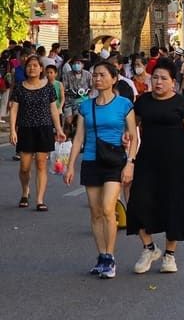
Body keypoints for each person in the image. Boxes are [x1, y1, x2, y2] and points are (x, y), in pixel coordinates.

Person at [126, 58, 184, 275]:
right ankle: (149, 248)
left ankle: (169, 256)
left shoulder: (182, 104)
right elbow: (132, 130)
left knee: (174, 208)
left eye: (163, 79)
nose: (158, 82)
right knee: (137, 204)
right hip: (146, 162)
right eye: (155, 78)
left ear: (173, 82)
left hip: (176, 164)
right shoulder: (142, 102)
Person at [64, 60, 137, 278]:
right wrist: (70, 166)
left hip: (115, 161)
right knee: (95, 212)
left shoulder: (124, 104)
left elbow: (133, 136)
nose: (97, 79)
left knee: (107, 209)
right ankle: (102, 256)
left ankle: (110, 257)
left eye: (102, 75)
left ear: (114, 79)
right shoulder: (86, 106)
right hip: (91, 160)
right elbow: (78, 139)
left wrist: (130, 162)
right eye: (95, 75)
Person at [9, 55, 66, 211]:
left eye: (35, 65)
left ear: (41, 69)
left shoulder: (48, 87)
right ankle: (25, 191)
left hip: (44, 129)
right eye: (29, 66)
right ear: (25, 69)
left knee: (41, 164)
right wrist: (13, 130)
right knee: (24, 167)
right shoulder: (20, 87)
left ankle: (40, 199)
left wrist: (59, 129)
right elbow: (14, 109)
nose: (32, 68)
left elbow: (53, 110)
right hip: (26, 129)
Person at [62, 55, 92, 137]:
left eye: (78, 63)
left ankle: (79, 138)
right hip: (69, 102)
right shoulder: (67, 75)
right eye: (74, 63)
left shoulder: (88, 74)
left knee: (80, 120)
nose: (76, 65)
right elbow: (64, 88)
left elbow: (92, 87)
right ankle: (65, 138)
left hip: (83, 101)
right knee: (68, 121)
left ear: (82, 65)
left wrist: (87, 92)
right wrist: (70, 91)